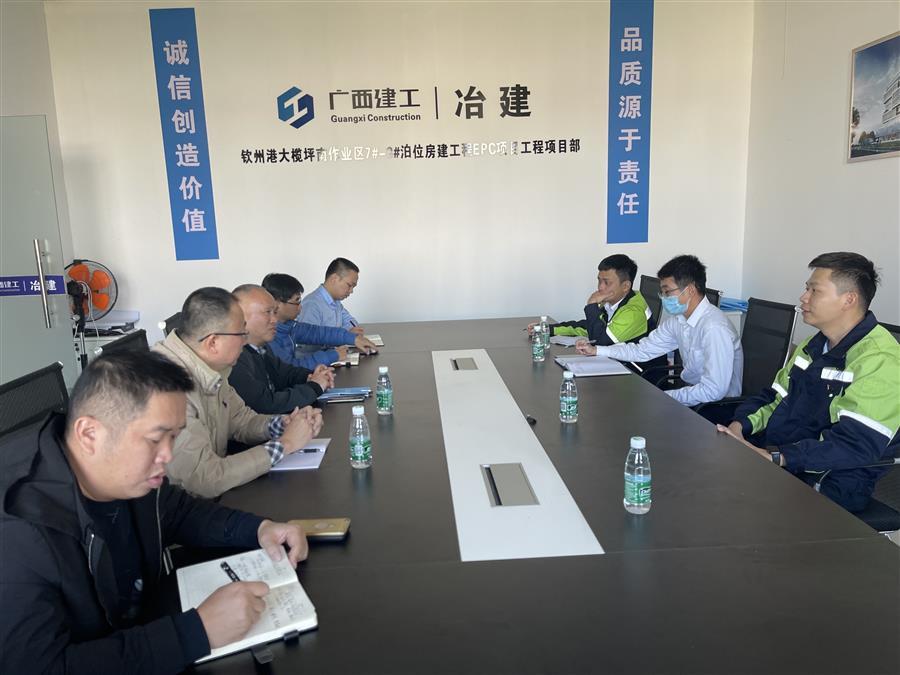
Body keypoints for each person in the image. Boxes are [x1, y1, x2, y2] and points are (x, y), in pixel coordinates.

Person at [0, 351, 309, 674]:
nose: (168, 455)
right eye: (155, 440)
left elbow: (177, 511)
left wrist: (258, 528)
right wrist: (196, 632)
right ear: (90, 434)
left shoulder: (124, 474)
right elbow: (41, 667)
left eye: (173, 437)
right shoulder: (18, 534)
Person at [718, 252, 899, 512]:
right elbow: (774, 397)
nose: (804, 297)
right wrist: (739, 427)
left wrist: (778, 457)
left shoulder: (880, 360)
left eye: (815, 290)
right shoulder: (813, 345)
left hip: (830, 480)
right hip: (785, 460)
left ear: (848, 299)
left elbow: (853, 445)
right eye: (807, 288)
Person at [152, 287, 323, 498]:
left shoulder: (211, 367)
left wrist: (284, 424)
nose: (245, 341)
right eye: (241, 334)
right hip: (181, 509)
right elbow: (204, 478)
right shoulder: (167, 388)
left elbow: (241, 420)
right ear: (213, 342)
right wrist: (285, 444)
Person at [576, 254, 743, 406]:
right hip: (691, 397)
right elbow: (642, 350)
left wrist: (664, 397)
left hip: (716, 408)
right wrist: (597, 350)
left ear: (690, 290)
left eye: (667, 292)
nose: (664, 298)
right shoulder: (679, 320)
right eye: (662, 292)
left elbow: (713, 391)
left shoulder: (714, 328)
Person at [530, 255, 662, 370]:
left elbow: (600, 341)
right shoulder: (615, 302)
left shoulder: (633, 312)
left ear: (625, 286)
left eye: (606, 283)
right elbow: (589, 327)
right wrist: (549, 329)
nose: (600, 287)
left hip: (638, 375)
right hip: (617, 365)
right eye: (599, 280)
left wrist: (592, 305)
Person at [230, 284, 335, 414]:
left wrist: (311, 375)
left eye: (275, 312)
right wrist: (315, 387)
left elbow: (284, 374)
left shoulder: (260, 347)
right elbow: (266, 405)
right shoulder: (233, 358)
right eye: (267, 312)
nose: (275, 320)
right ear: (240, 316)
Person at [262, 272, 376, 369]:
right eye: (296, 301)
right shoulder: (268, 335)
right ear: (277, 304)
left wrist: (353, 338)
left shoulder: (290, 326)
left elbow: (318, 333)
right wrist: (331, 355)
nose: (300, 307)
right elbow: (290, 368)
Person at [298, 257, 364, 336]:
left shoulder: (336, 303)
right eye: (349, 285)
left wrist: (347, 332)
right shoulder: (311, 305)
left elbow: (351, 322)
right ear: (334, 279)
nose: (351, 291)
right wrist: (343, 335)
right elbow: (308, 339)